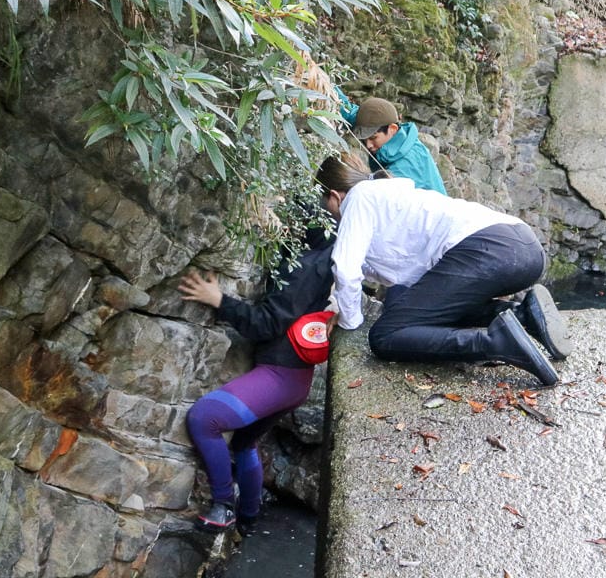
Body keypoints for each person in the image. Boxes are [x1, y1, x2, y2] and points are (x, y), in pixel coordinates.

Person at [316, 152, 572, 387]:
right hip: (523, 246)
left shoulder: (358, 198)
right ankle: (525, 316)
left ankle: (497, 342)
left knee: (385, 335)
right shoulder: (384, 195)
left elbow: (346, 270)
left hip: (491, 250)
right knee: (412, 313)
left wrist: (350, 322)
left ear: (334, 196)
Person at [178, 226, 335, 534]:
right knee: (244, 442)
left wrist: (219, 300)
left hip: (280, 376)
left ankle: (223, 507)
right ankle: (249, 516)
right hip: (295, 379)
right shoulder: (328, 252)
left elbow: (266, 324)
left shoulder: (309, 266)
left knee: (204, 417)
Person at [338, 94, 447, 195]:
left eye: (373, 138)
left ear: (392, 129)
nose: (368, 145)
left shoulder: (403, 169)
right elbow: (347, 110)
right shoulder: (398, 140)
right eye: (364, 139)